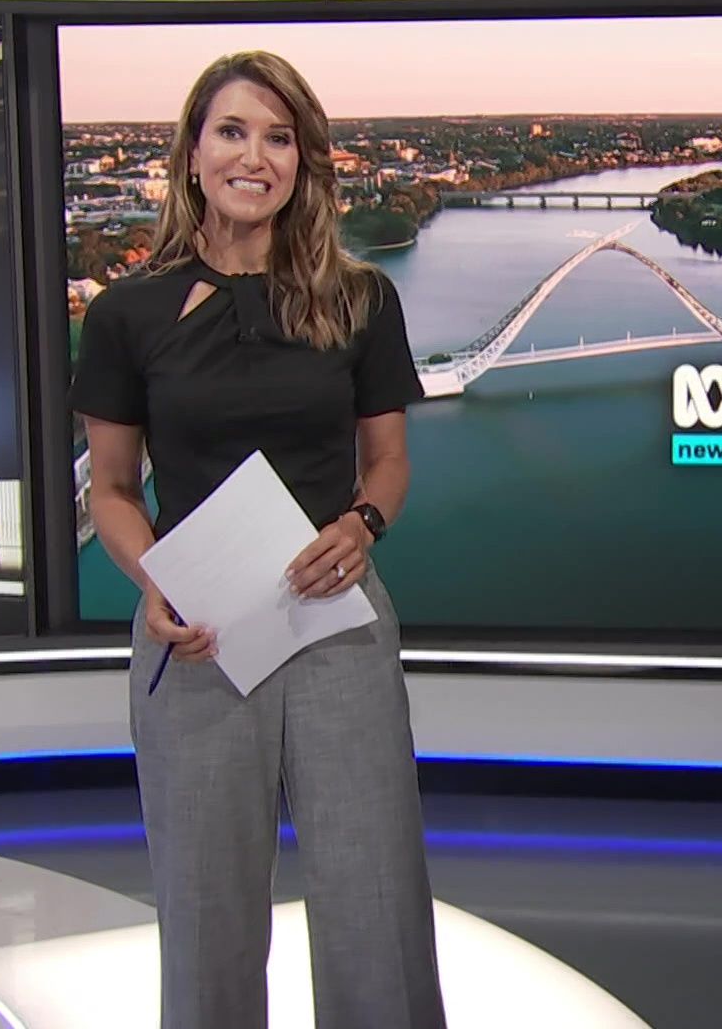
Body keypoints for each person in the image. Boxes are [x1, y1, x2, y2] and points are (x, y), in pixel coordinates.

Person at [68, 50, 446, 1029]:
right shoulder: (125, 315)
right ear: (192, 154)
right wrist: (152, 580)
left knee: (375, 908)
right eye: (232, 132)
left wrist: (362, 525)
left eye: (279, 138)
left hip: (335, 630)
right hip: (197, 637)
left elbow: (388, 463)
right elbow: (113, 489)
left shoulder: (361, 299)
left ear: (302, 162)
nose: (255, 156)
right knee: (207, 923)